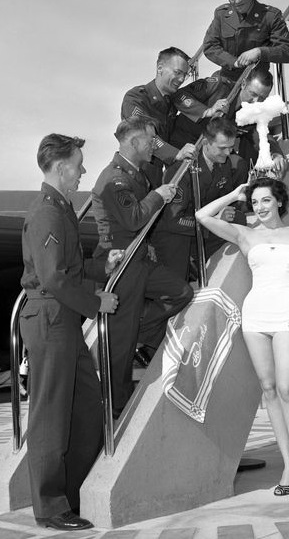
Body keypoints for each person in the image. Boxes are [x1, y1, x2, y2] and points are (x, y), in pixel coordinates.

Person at [196, 176, 289, 502]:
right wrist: (234, 193)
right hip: (254, 317)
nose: (260, 207)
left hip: (287, 315)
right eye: (255, 202)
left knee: (287, 389)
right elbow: (203, 216)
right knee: (268, 390)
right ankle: (288, 468)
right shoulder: (246, 234)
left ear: (279, 201)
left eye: (266, 200)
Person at [19, 134, 121, 531]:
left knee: (86, 406)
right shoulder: (47, 212)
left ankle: (74, 493)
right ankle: (50, 507)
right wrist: (97, 304)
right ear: (61, 168)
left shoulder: (60, 209)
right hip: (50, 319)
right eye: (78, 165)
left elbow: (71, 270)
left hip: (63, 319)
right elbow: (53, 278)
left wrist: (102, 268)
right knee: (51, 416)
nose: (82, 171)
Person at [92, 117, 194, 419]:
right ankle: (114, 407)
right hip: (120, 263)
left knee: (181, 292)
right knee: (120, 346)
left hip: (140, 260)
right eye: (150, 141)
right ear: (134, 142)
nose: (154, 146)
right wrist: (157, 195)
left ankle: (143, 330)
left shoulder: (135, 173)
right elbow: (134, 218)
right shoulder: (115, 178)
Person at [151, 118, 248, 280]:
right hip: (178, 234)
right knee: (178, 287)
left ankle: (197, 263)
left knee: (238, 219)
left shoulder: (223, 163)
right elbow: (174, 221)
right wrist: (214, 221)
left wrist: (222, 213)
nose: (228, 153)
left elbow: (222, 197)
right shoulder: (181, 171)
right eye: (222, 148)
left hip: (203, 227)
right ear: (205, 142)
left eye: (231, 147)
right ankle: (190, 266)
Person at [171, 66, 287, 177]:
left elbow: (260, 133)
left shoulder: (253, 112)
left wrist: (276, 154)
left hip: (215, 149)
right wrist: (207, 111)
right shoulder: (218, 85)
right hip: (185, 141)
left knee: (239, 167)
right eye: (253, 94)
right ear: (243, 84)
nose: (256, 101)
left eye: (262, 98)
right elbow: (179, 95)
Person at [121, 46, 197, 187]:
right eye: (177, 72)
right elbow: (144, 135)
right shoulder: (136, 98)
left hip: (156, 177)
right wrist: (175, 154)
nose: (181, 79)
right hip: (134, 175)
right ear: (160, 68)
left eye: (184, 75)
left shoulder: (172, 102)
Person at [203, 0, 289, 82]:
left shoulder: (270, 16)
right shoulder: (221, 14)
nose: (237, 1)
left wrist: (259, 52)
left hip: (255, 83)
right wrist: (234, 62)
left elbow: (287, 50)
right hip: (227, 79)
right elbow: (210, 46)